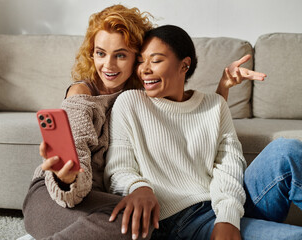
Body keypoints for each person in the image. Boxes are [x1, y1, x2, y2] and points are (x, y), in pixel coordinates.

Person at [23, 5, 266, 240]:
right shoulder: (82, 95)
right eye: (100, 53)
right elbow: (76, 159)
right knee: (135, 221)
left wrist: (222, 88)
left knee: (144, 219)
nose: (108, 65)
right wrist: (69, 179)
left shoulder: (141, 90)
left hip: (98, 198)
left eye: (120, 55)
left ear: (135, 58)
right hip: (57, 194)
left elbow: (193, 122)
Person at [104, 24, 302, 240]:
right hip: (180, 223)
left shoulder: (215, 105)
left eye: (156, 60)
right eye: (141, 61)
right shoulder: (129, 103)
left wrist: (227, 218)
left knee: (286, 150)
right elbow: (118, 168)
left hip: (224, 206)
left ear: (184, 65)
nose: (145, 69)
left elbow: (229, 166)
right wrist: (139, 187)